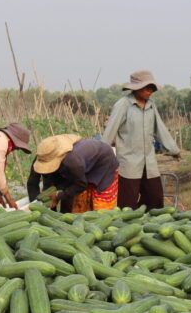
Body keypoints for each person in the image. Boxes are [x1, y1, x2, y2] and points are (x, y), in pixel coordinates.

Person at [101, 70, 180, 210]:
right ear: (136, 88)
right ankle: (127, 227)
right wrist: (100, 155)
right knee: (127, 203)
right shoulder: (123, 104)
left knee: (155, 199)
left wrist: (173, 149)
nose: (150, 91)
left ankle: (149, 228)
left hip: (149, 162)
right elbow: (110, 129)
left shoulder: (151, 105)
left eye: (152, 88)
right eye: (146, 88)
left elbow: (159, 129)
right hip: (129, 162)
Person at [27, 134, 118, 213]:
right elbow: (33, 182)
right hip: (82, 167)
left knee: (100, 209)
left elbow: (80, 184)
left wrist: (59, 196)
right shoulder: (43, 156)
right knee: (80, 206)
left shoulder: (72, 161)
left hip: (104, 164)